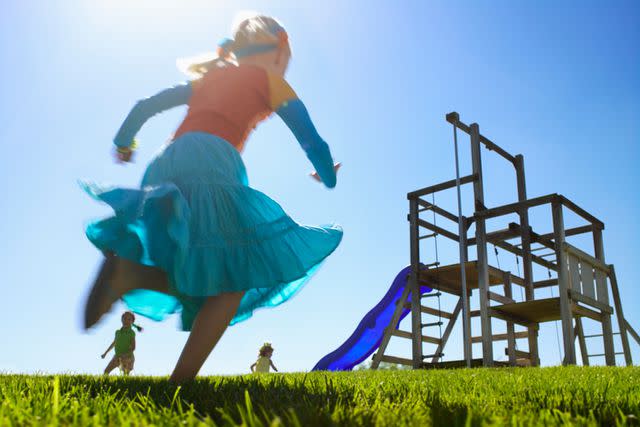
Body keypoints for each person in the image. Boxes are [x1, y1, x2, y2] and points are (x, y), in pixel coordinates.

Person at [82, 14, 342, 383]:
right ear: (281, 44)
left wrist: (125, 143)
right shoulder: (271, 81)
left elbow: (145, 105)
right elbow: (311, 140)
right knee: (233, 276)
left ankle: (129, 274)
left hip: (165, 164)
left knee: (198, 271)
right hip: (213, 162)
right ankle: (182, 382)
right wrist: (327, 175)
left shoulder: (210, 76)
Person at [101, 311, 143, 375]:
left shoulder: (131, 333)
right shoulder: (117, 332)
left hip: (128, 357)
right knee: (106, 372)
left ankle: (126, 384)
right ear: (121, 320)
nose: (126, 321)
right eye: (125, 318)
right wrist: (105, 353)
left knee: (125, 374)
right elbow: (114, 344)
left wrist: (125, 355)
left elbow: (133, 347)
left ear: (132, 322)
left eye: (129, 319)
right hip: (117, 356)